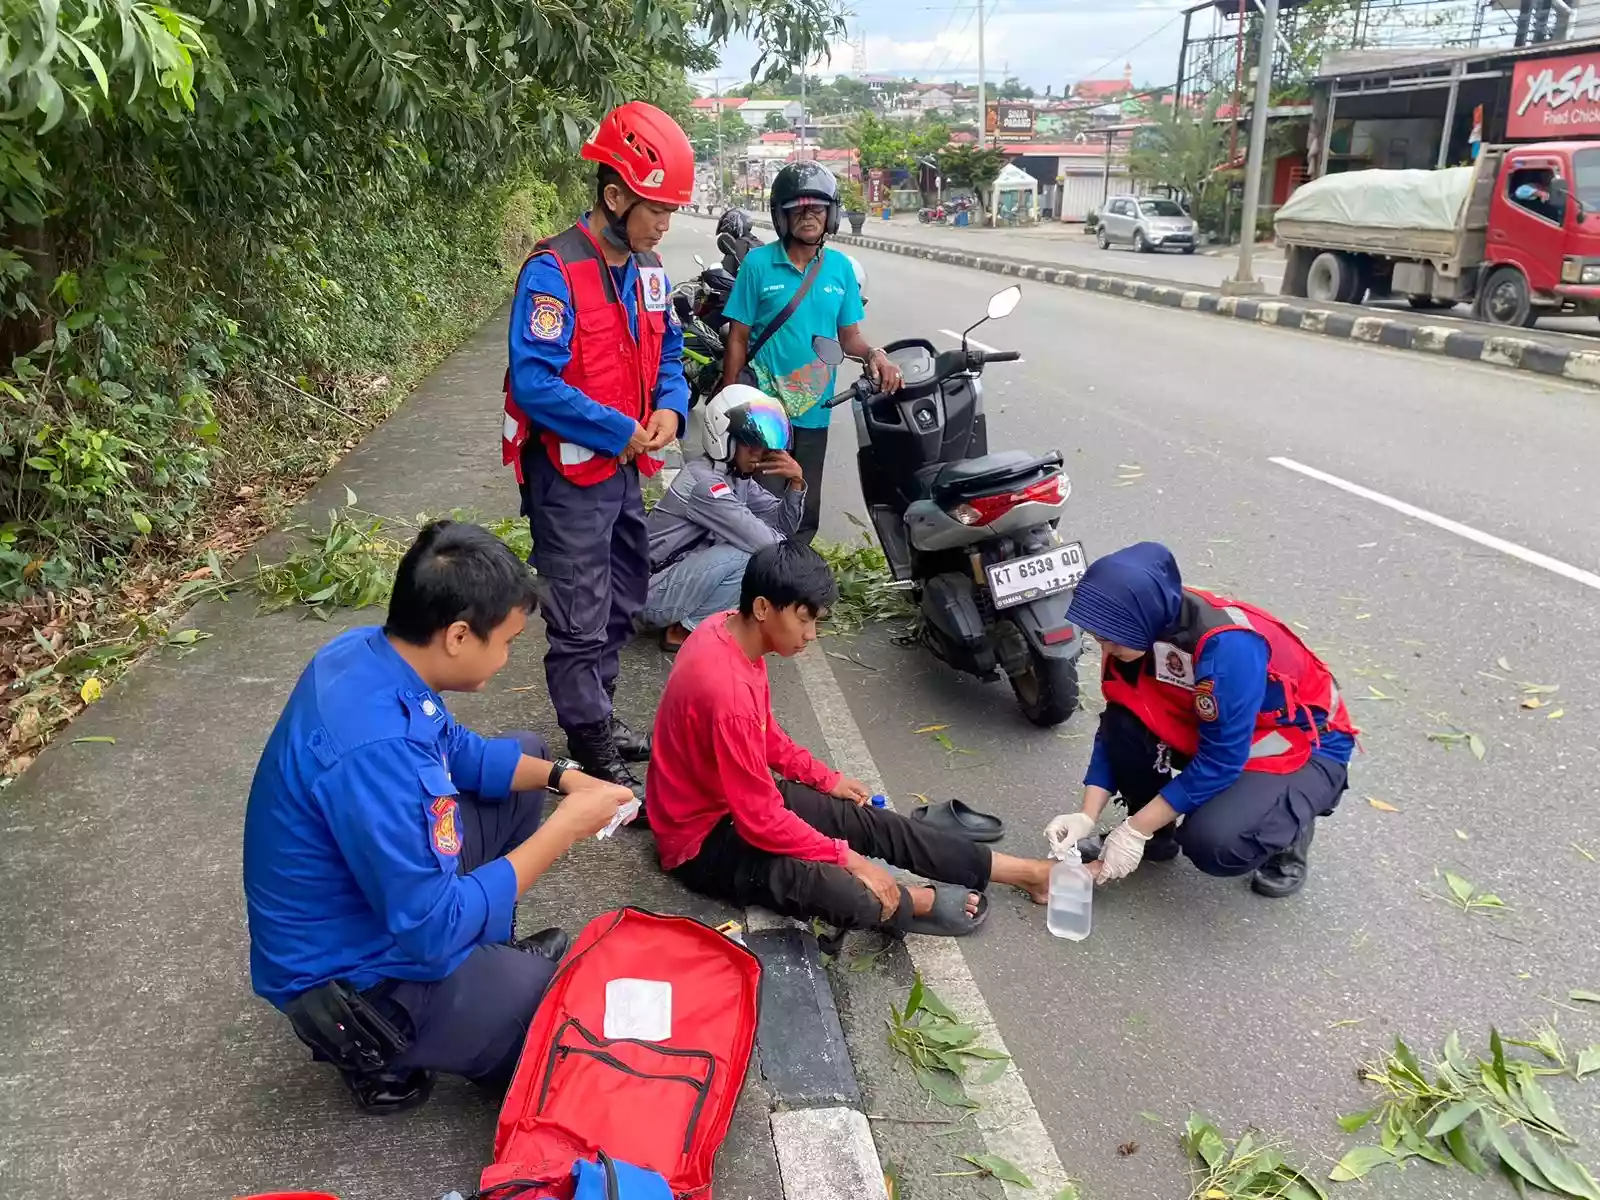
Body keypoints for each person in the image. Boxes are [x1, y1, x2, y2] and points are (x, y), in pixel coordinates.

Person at [243, 521, 634, 1112]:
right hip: (350, 980)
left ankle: (486, 968)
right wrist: (566, 828)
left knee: (526, 755)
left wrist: (565, 779)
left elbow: (461, 751)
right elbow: (432, 929)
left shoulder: (365, 655)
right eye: (506, 642)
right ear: (457, 635)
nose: (506, 658)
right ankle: (375, 1053)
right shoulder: (379, 753)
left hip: (376, 902)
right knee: (556, 1016)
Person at [648, 542, 1055, 937]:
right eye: (804, 620)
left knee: (869, 822)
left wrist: (825, 779)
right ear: (761, 608)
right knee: (847, 889)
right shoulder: (727, 690)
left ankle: (1023, 872)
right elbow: (760, 820)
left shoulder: (724, 627)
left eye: (816, 622)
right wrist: (854, 862)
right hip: (699, 841)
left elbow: (764, 732)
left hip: (738, 799)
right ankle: (916, 899)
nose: (811, 634)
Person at [500, 100, 694, 804]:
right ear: (614, 196)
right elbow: (534, 381)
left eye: (671, 213)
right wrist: (618, 427)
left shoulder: (648, 270)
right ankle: (588, 746)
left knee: (623, 593)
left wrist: (671, 404)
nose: (664, 226)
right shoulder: (554, 271)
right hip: (571, 477)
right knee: (580, 610)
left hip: (622, 472)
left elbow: (669, 350)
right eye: (656, 211)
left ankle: (601, 715)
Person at [1044, 542, 1357, 899]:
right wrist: (1086, 815)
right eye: (1097, 637)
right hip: (1217, 730)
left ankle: (1288, 824)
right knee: (1125, 726)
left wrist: (1133, 831)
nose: (1103, 648)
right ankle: (1154, 839)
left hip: (1301, 745)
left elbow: (1222, 758)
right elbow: (1118, 720)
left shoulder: (1228, 647)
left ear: (1140, 620)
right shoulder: (1137, 629)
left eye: (1109, 638)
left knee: (1214, 842)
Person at [720, 161, 903, 545]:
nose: (808, 217)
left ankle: (794, 584)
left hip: (814, 411)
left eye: (817, 208)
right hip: (764, 410)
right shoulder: (757, 265)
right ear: (782, 215)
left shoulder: (839, 269)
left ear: (830, 214)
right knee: (761, 502)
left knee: (804, 502)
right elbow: (737, 337)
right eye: (798, 209)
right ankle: (756, 583)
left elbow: (849, 337)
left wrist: (875, 354)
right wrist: (731, 401)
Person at [643, 384, 805, 652]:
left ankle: (692, 618)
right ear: (723, 439)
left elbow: (782, 527)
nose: (759, 453)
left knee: (752, 549)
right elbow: (768, 545)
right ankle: (684, 629)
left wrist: (796, 483)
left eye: (763, 446)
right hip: (649, 593)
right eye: (751, 444)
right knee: (749, 554)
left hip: (673, 580)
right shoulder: (705, 484)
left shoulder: (734, 478)